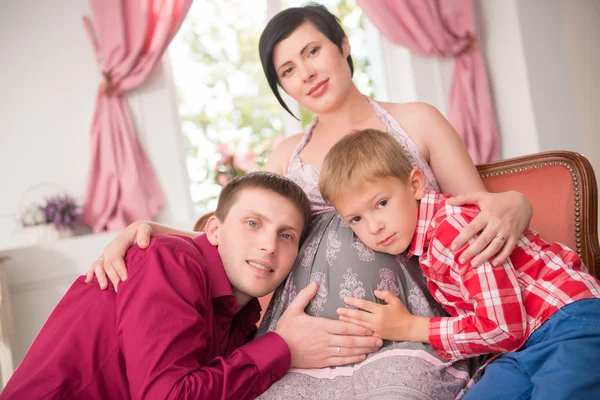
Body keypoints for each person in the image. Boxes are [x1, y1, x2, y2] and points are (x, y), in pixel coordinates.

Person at [85, 4, 534, 398]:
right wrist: (147, 230)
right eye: (288, 71)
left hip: (405, 324)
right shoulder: (287, 155)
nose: (307, 74)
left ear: (342, 44)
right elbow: (241, 237)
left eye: (313, 52)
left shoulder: (417, 120)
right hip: (305, 335)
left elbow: (476, 211)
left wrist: (518, 202)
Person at [0, 172, 382, 400]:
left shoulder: (240, 314)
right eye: (253, 223)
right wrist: (284, 347)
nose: (268, 244)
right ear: (214, 230)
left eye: (286, 235)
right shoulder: (170, 261)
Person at [320, 129, 600, 399]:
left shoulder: (452, 229)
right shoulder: (425, 247)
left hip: (565, 321)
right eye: (356, 219)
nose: (374, 226)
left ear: (415, 184)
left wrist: (411, 328)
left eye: (382, 203)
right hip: (515, 348)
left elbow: (503, 327)